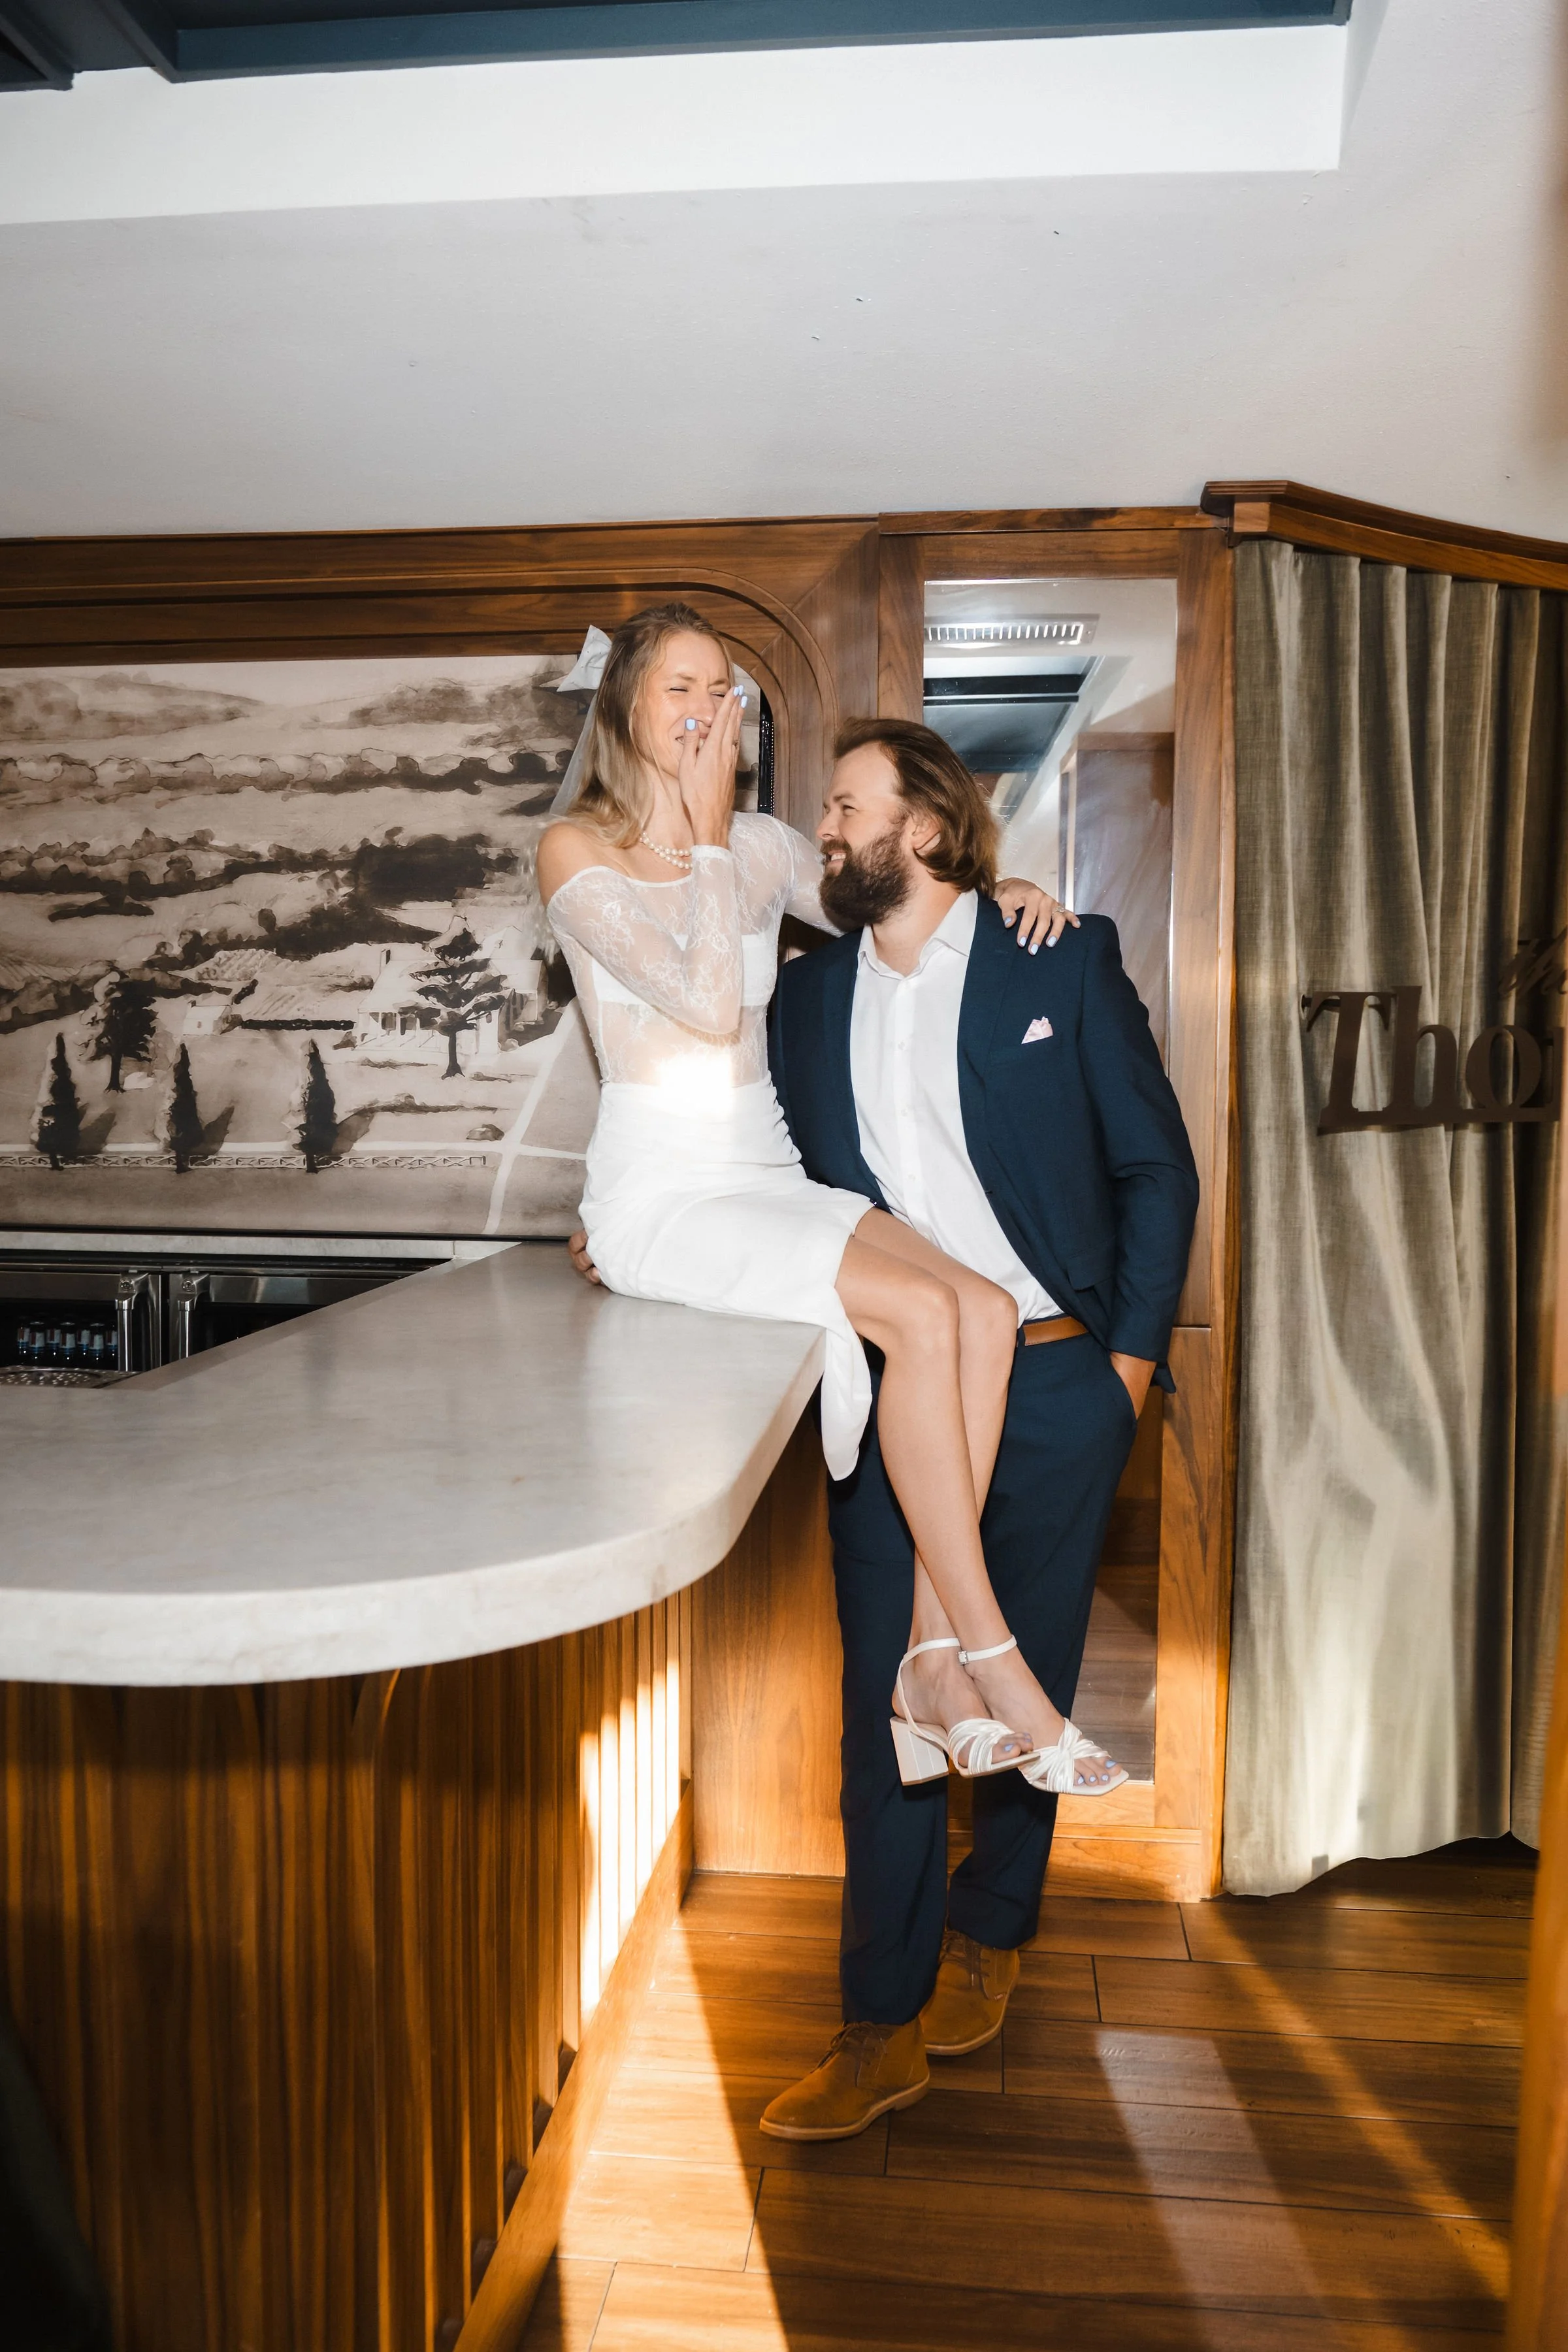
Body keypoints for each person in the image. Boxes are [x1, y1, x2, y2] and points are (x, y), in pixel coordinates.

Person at [540, 601, 1110, 1799]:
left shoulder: (755, 846)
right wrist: (699, 825)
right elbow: (702, 997)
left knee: (985, 1311)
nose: (706, 711)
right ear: (629, 711)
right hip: (668, 1194)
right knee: (918, 1322)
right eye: (682, 689)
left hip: (768, 1168)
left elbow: (890, 894)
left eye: (722, 691)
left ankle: (927, 1658)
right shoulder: (577, 854)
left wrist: (1005, 894)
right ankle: (987, 1659)